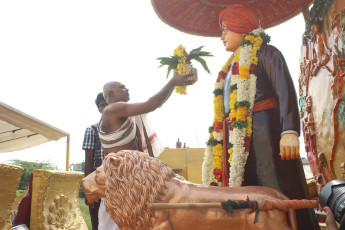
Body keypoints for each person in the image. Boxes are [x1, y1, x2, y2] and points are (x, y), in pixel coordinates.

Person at [213, 3, 319, 229]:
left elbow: (285, 91)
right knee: (248, 195)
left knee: (277, 190)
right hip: (237, 144)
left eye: (225, 29)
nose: (221, 36)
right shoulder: (227, 70)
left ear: (241, 25)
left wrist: (289, 130)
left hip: (268, 137)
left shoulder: (267, 52)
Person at [96, 71, 196, 230]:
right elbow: (151, 105)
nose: (127, 89)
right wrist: (172, 82)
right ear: (110, 94)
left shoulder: (124, 112)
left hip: (131, 178)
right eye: (122, 87)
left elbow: (154, 105)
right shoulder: (112, 109)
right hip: (121, 180)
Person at [81, 92, 107, 230]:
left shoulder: (122, 130)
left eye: (108, 104)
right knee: (97, 223)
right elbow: (89, 162)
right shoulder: (92, 130)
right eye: (102, 105)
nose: (105, 107)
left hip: (117, 184)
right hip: (98, 183)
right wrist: (88, 190)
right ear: (99, 108)